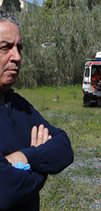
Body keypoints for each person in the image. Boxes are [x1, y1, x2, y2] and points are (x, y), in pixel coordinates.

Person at [0, 15, 75, 210]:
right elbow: (4, 191)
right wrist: (41, 172)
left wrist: (26, 158)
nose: (17, 57)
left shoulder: (18, 106)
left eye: (19, 48)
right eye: (5, 47)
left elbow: (64, 147)